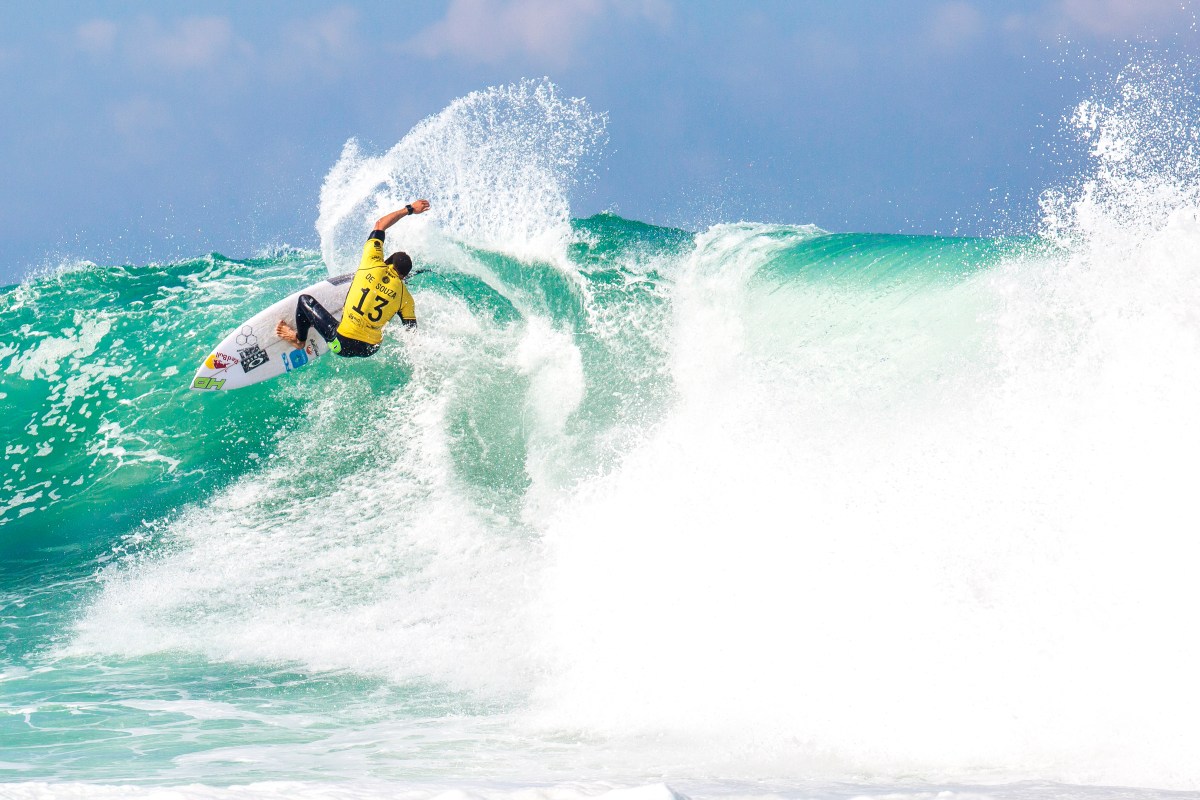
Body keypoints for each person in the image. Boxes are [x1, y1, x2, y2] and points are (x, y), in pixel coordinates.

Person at [276, 200, 431, 357]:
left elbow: (380, 225)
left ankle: (299, 340)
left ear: (388, 262)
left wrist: (409, 209)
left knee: (304, 301)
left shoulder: (372, 262)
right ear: (403, 277)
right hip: (370, 350)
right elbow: (411, 332)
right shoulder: (406, 298)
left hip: (340, 344)